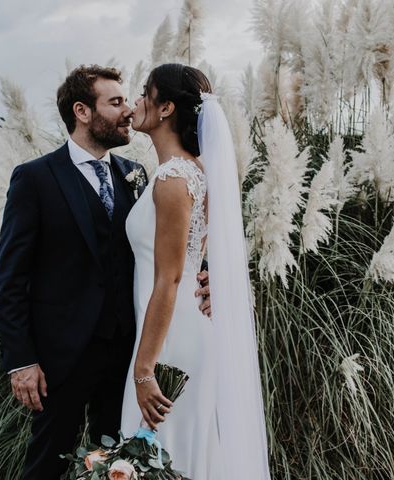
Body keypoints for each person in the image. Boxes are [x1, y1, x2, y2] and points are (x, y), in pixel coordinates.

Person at [0, 65, 211, 480]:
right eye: (114, 103)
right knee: (46, 462)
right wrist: (21, 360)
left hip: (131, 352)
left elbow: (175, 249)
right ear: (82, 111)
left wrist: (207, 275)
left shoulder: (138, 175)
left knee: (123, 466)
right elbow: (10, 278)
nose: (128, 110)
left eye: (129, 99)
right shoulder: (36, 178)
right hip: (63, 357)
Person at [120, 64, 271, 479]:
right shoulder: (195, 172)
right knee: (179, 457)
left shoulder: (173, 179)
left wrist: (144, 369)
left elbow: (168, 278)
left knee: (165, 458)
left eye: (143, 93)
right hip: (177, 328)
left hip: (169, 341)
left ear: (165, 107)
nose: (134, 102)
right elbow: (197, 259)